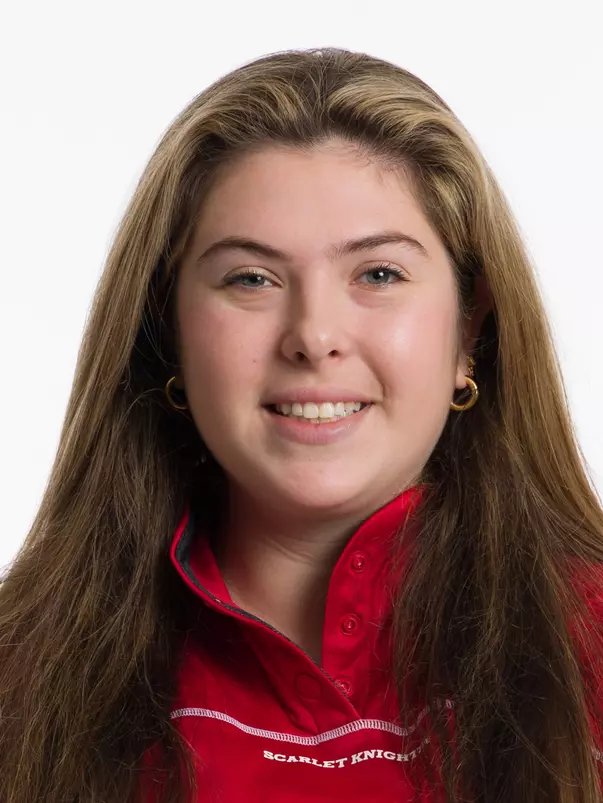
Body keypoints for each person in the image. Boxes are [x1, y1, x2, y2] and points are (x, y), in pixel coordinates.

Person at [1, 46, 603, 803]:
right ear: (168, 329)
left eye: (378, 274)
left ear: (469, 330)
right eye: (251, 278)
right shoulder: (18, 683)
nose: (313, 336)